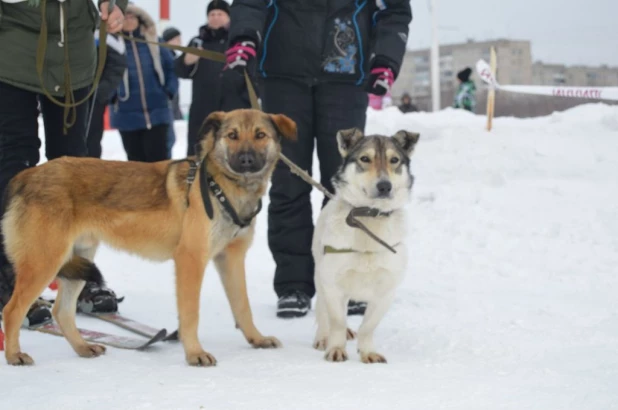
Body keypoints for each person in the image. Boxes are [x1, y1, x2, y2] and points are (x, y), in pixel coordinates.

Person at [225, 0, 413, 318]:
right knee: (289, 183)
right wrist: (244, 37)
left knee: (347, 188)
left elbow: (394, 10)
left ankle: (349, 280)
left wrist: (385, 60)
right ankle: (294, 285)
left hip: (346, 75)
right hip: (282, 75)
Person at [0, 0, 128, 328]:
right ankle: (12, 281)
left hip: (75, 54)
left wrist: (113, 5)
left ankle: (76, 278)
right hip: (13, 48)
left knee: (76, 173)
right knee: (16, 168)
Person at [110, 3, 178, 163]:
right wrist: (112, 97)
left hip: (158, 113)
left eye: (132, 16)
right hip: (126, 115)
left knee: (161, 165)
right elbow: (104, 73)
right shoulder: (111, 45)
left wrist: (169, 91)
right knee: (136, 168)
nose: (128, 20)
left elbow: (171, 67)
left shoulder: (155, 42)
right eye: (124, 17)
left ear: (140, 19)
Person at [174, 0, 230, 157]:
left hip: (233, 107)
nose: (215, 17)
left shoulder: (236, 41)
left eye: (220, 14)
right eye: (212, 14)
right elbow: (179, 70)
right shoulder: (198, 41)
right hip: (203, 110)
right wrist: (186, 61)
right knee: (199, 154)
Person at [86, 29, 128, 159]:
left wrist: (99, 93)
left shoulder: (104, 34)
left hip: (93, 98)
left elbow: (117, 65)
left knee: (90, 142)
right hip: (63, 95)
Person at [162, 26, 183, 158]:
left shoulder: (171, 56)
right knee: (168, 139)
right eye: (176, 39)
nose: (179, 42)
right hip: (167, 102)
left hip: (172, 102)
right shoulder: (166, 56)